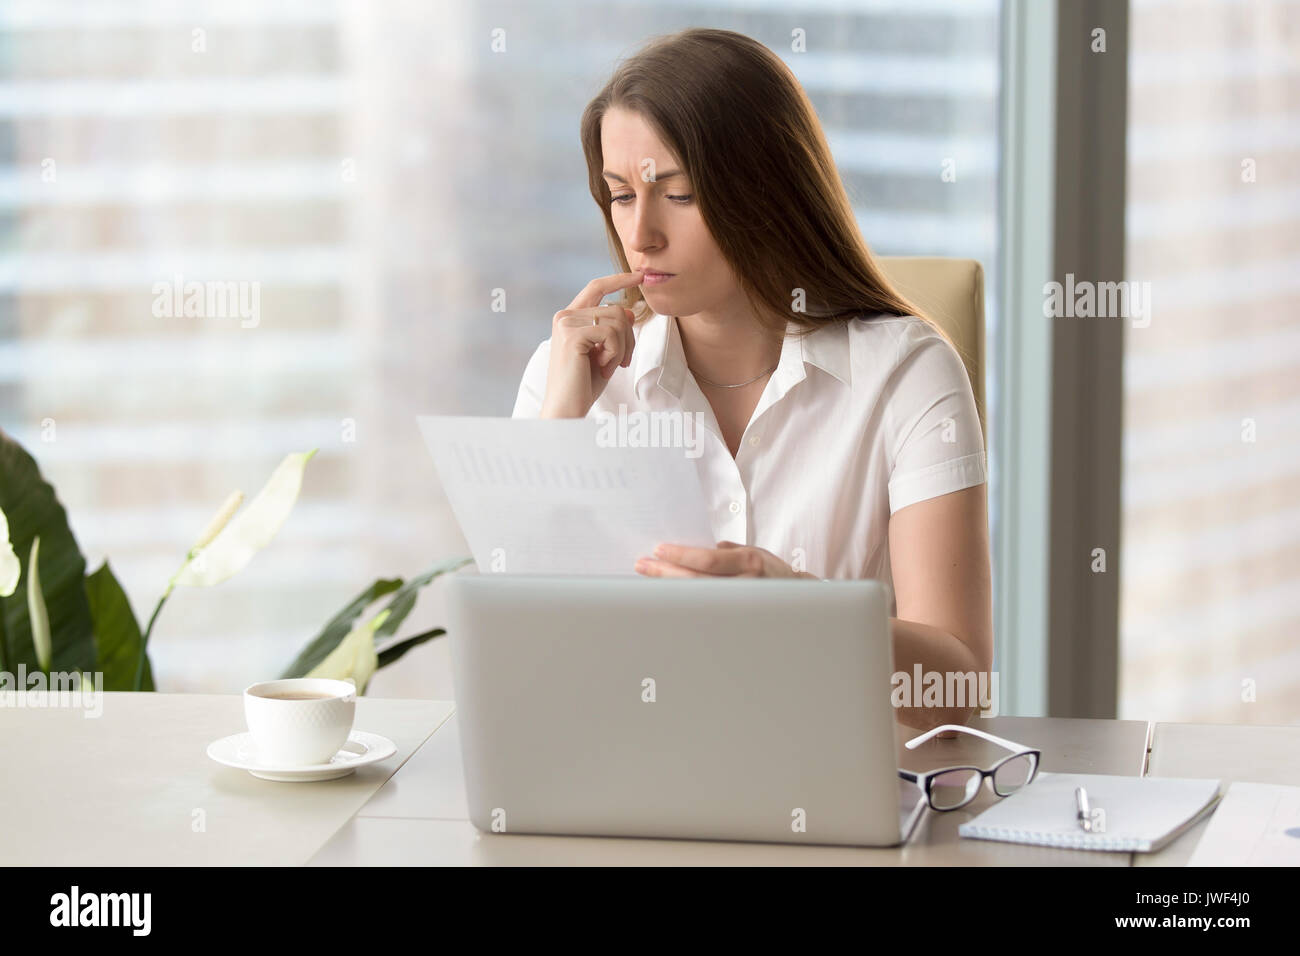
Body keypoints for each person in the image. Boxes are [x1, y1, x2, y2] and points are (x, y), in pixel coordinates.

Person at [511, 28, 991, 732]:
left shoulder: (906, 373)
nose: (640, 234)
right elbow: (521, 670)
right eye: (618, 195)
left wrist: (800, 611)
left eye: (676, 194)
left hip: (836, 805)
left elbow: (958, 688)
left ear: (767, 192)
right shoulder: (571, 380)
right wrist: (560, 429)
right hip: (623, 791)